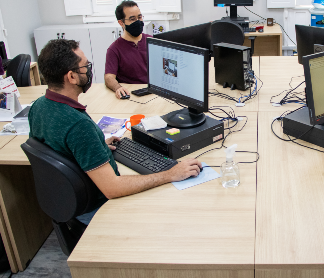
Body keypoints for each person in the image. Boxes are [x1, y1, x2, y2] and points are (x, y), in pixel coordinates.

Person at [30, 39, 202, 224]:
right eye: (85, 66)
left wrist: (96, 148)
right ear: (71, 77)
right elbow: (113, 189)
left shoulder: (39, 106)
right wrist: (170, 174)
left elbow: (59, 145)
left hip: (67, 198)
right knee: (177, 205)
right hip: (98, 208)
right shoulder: (78, 125)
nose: (88, 69)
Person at [105, 0, 150, 99]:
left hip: (154, 91)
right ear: (121, 23)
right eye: (132, 19)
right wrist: (118, 88)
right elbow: (109, 77)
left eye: (139, 17)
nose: (138, 21)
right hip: (132, 94)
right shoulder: (114, 49)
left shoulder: (152, 41)